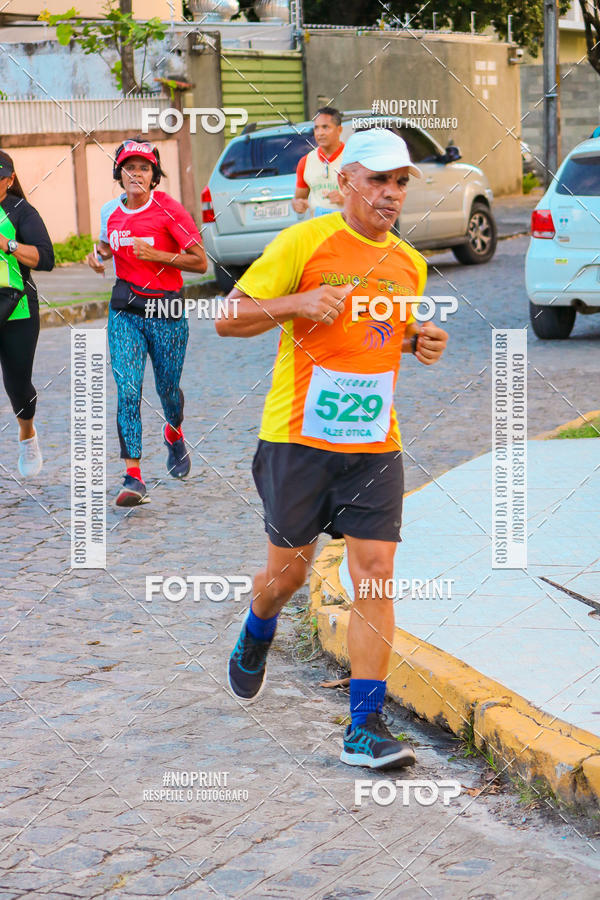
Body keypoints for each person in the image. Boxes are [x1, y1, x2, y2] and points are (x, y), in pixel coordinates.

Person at [217, 128, 449, 770]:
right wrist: (298, 302)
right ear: (345, 180)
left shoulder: (408, 261)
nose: (391, 193)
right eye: (379, 179)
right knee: (286, 577)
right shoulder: (304, 240)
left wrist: (418, 341)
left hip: (375, 442)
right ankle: (258, 628)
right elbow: (228, 316)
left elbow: (380, 333)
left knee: (374, 570)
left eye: (401, 181)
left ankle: (365, 726)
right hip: (296, 439)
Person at [88, 138, 207, 507]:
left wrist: (157, 254)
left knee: (168, 390)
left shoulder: (170, 211)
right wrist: (97, 256)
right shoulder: (112, 211)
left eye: (143, 168)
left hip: (166, 311)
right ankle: (133, 476)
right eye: (129, 168)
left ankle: (174, 430)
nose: (136, 174)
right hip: (126, 311)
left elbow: (200, 262)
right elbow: (107, 245)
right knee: (127, 391)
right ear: (119, 175)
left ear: (154, 176)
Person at [0, 150, 54, 478]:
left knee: (17, 385)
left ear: (9, 181)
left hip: (15, 307)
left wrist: (8, 244)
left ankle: (27, 433)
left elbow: (46, 258)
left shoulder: (20, 211)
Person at [292, 107, 345, 218]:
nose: (320, 133)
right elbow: (299, 199)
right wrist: (297, 205)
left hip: (347, 229)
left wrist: (344, 200)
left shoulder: (352, 158)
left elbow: (368, 200)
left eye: (325, 127)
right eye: (316, 128)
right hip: (319, 230)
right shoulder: (305, 161)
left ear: (339, 130)